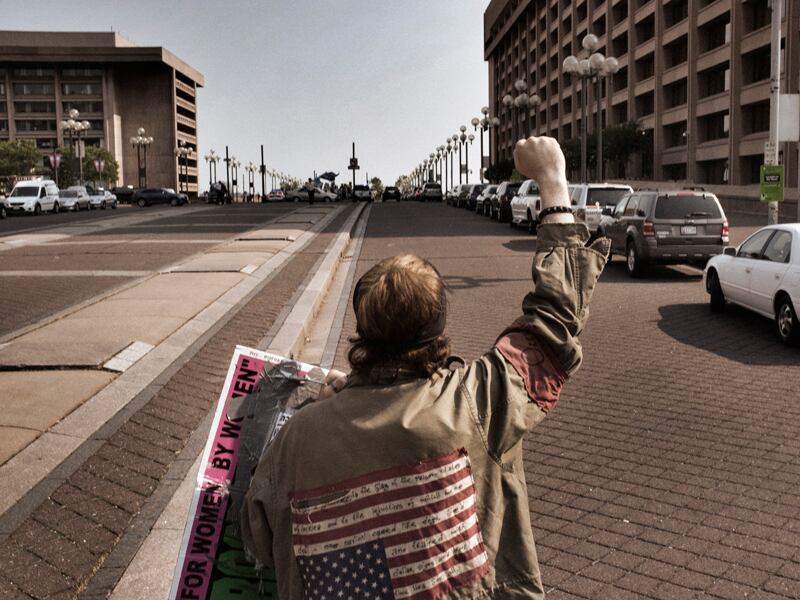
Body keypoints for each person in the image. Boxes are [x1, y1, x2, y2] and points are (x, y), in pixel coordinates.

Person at [241, 136, 610, 599]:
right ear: (436, 331)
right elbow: (555, 318)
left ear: (363, 330)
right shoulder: (476, 402)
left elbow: (256, 536)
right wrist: (553, 182)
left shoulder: (297, 439)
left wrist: (321, 410)